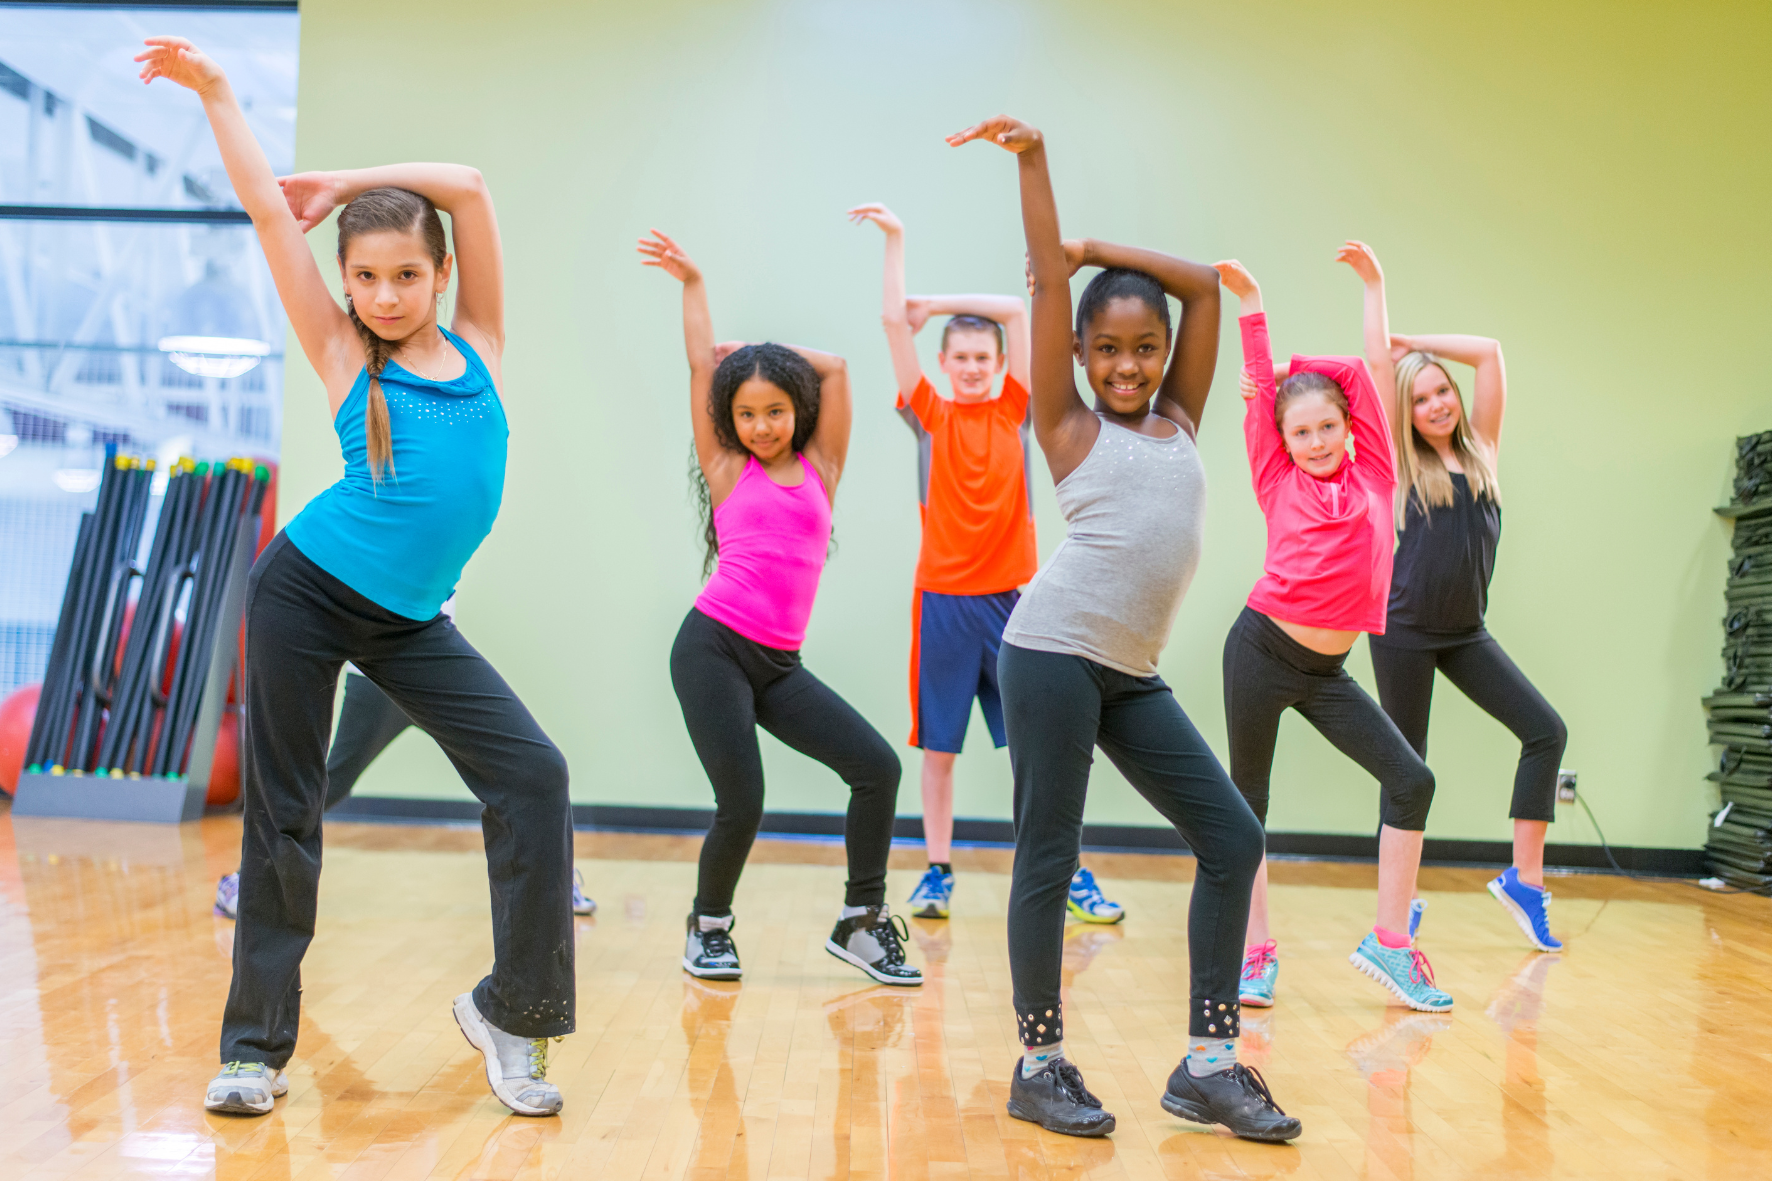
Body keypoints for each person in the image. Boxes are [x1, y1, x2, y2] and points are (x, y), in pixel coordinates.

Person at [138, 37, 574, 1120]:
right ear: (343, 280)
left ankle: (511, 1011)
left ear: (442, 274)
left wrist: (344, 182)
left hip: (411, 620)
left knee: (534, 775)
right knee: (286, 815)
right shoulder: (343, 353)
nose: (384, 293)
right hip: (301, 593)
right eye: (365, 276)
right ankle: (253, 1050)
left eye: (406, 274)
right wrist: (218, 91)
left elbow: (466, 185)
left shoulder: (480, 343)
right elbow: (261, 210)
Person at [949, 113, 1299, 1143]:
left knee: (1231, 836)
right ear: (1077, 354)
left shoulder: (1178, 418)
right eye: (1106, 348)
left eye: (1145, 348)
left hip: (1129, 670)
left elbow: (1203, 289)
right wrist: (1034, 165)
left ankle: (1208, 1065)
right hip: (1052, 654)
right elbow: (1047, 289)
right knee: (1048, 856)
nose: (1128, 364)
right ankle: (1038, 1063)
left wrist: (1101, 248)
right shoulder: (1065, 422)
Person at [638, 229, 920, 989]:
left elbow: (837, 368)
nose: (761, 425)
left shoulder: (822, 466)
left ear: (798, 410)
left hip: (778, 664)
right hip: (712, 649)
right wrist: (694, 284)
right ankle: (708, 928)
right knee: (744, 800)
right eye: (747, 413)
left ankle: (860, 921)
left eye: (775, 410)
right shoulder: (727, 467)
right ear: (730, 420)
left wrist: (761, 352)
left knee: (876, 768)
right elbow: (700, 366)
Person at [846, 202, 1126, 926]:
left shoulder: (1016, 408)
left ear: (999, 364)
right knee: (938, 751)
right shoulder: (929, 415)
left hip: (1015, 605)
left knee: (1042, 748)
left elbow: (1016, 310)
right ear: (942, 366)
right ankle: (937, 871)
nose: (971, 368)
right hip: (942, 603)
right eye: (959, 358)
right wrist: (897, 240)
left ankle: (1066, 869)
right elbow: (891, 325)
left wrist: (939, 304)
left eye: (982, 358)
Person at [1214, 246, 1452, 1016]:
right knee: (1249, 804)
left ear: (1352, 429)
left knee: (1412, 780)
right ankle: (1254, 952)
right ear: (1281, 440)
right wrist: (1253, 308)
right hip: (1260, 651)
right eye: (1300, 431)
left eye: (1327, 427)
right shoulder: (1275, 475)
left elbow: (1361, 369)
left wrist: (1364, 294)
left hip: (1326, 672)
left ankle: (1389, 942)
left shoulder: (1377, 471)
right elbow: (1262, 397)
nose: (1315, 441)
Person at [1366, 317, 1566, 952]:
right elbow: (1370, 375)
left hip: (1464, 633)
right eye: (1420, 398)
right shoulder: (1402, 463)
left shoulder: (1482, 450)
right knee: (1407, 770)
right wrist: (1392, 353)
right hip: (1402, 631)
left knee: (1545, 731)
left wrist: (1415, 343)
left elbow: (1489, 352)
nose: (1435, 405)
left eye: (1442, 391)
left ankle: (1525, 882)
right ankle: (1397, 909)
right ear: (1405, 411)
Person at [212, 601, 599, 922]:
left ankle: (555, 887)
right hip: (377, 678)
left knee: (522, 769)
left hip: (436, 668)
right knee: (331, 781)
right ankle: (245, 880)